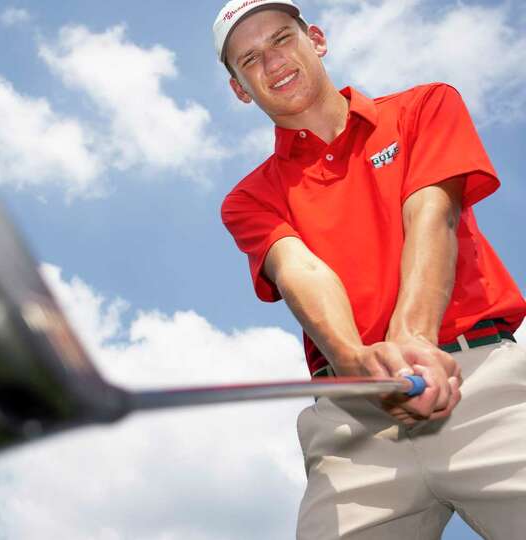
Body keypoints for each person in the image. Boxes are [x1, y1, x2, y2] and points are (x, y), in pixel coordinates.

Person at [213, 0, 526, 538]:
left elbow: (432, 213)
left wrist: (412, 338)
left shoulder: (425, 106)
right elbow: (301, 273)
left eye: (282, 39)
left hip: (480, 387)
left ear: (316, 39)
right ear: (241, 88)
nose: (273, 62)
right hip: (352, 426)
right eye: (250, 60)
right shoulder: (248, 199)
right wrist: (355, 361)